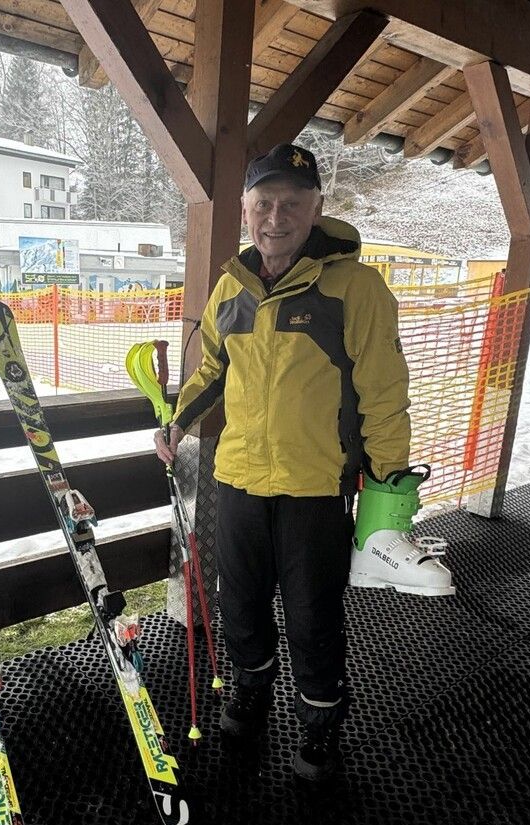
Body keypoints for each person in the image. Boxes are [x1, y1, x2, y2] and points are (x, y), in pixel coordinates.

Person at [154, 143, 411, 780]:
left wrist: (389, 485)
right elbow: (212, 369)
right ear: (245, 211)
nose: (276, 216)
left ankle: (320, 725)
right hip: (238, 477)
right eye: (263, 203)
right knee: (237, 602)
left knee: (312, 613)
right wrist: (179, 420)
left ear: (317, 208)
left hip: (315, 485)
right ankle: (250, 690)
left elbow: (383, 390)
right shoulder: (231, 286)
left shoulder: (355, 288)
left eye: (292, 203)